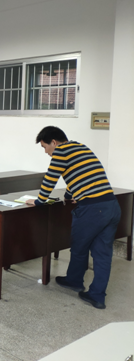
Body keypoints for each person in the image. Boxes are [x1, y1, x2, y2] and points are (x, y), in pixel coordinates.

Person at [26, 126, 120, 310]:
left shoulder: (60, 151)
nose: (46, 152)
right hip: (111, 205)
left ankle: (74, 281)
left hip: (92, 209)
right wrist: (69, 196)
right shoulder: (81, 147)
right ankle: (97, 296)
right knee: (103, 254)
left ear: (54, 142)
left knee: (79, 247)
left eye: (45, 147)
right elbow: (78, 176)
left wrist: (38, 201)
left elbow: (50, 179)